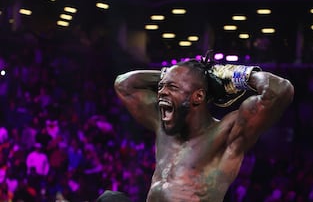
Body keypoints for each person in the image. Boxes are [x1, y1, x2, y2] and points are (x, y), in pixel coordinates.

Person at [113, 53, 294, 202]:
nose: (161, 92)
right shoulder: (164, 126)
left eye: (171, 87)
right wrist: (171, 75)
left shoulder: (226, 133)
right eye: (161, 86)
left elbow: (280, 91)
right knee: (111, 199)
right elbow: (124, 84)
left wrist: (237, 75)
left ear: (198, 96)